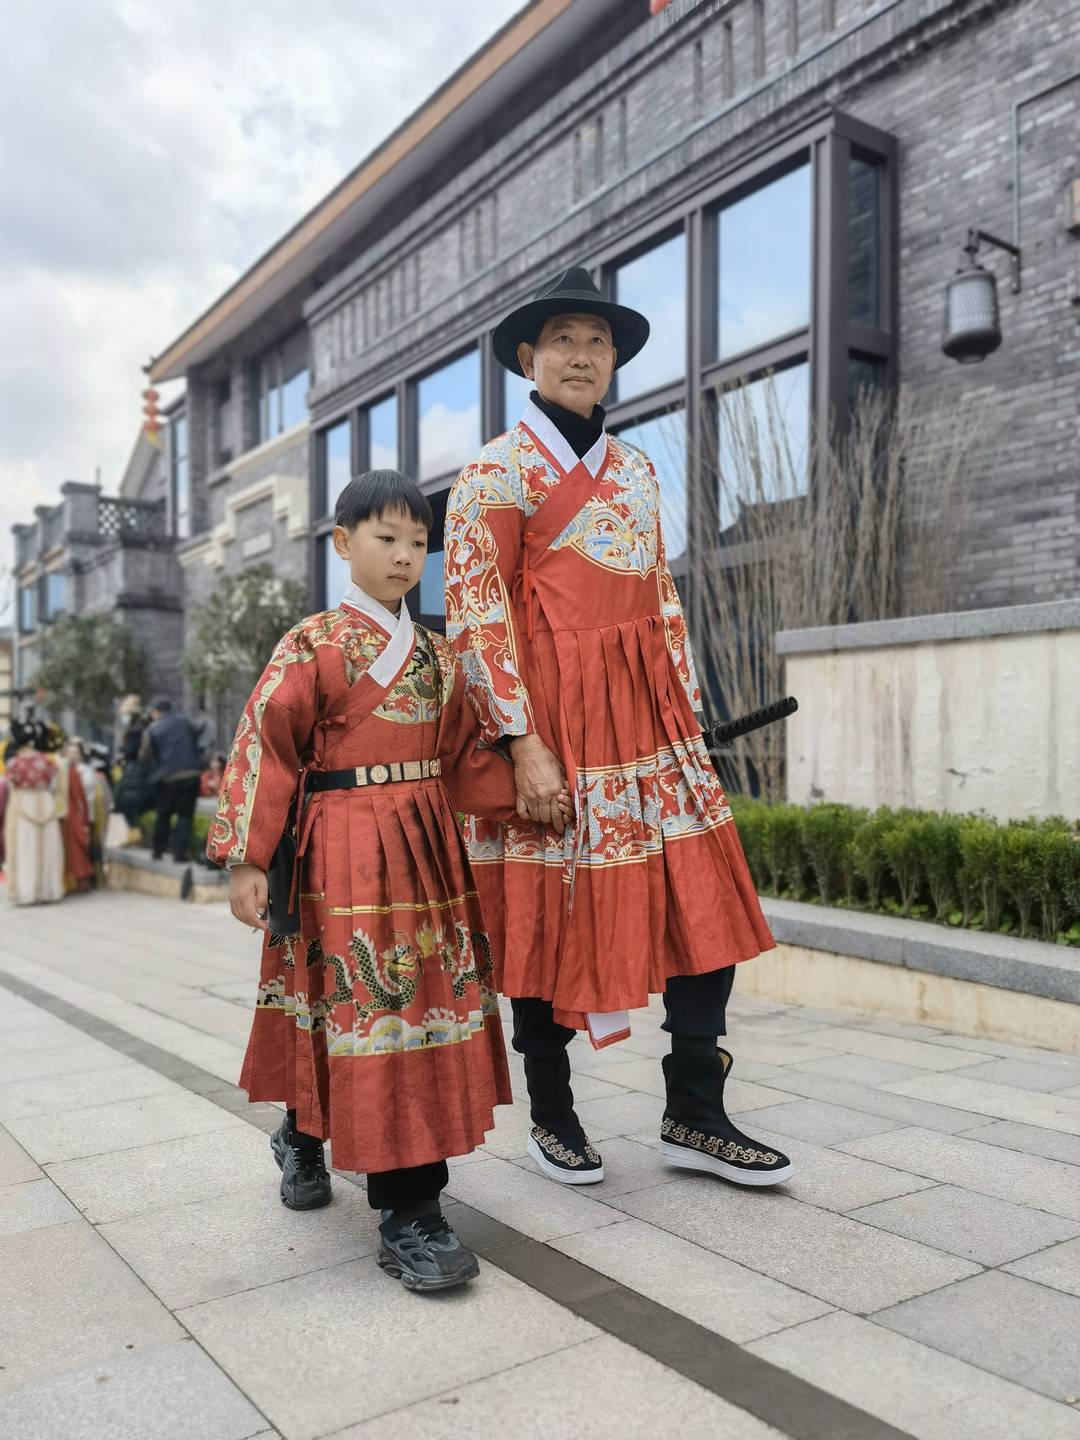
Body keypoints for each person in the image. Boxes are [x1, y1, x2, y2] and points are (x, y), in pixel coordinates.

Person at [445, 266, 793, 1188]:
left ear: (613, 364)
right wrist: (520, 739)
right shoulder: (491, 472)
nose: (582, 356)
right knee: (548, 910)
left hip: (649, 714)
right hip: (552, 718)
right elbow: (478, 611)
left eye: (598, 343)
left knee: (701, 898)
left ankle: (695, 1110)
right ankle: (553, 1112)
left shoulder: (636, 469)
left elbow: (662, 597)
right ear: (529, 357)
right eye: (564, 339)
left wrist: (684, 706)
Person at [209, 469, 567, 1293]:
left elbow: (464, 762)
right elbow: (265, 746)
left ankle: (404, 1197)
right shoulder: (311, 645)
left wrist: (532, 791)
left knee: (408, 1015)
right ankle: (350, 1169)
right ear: (342, 544)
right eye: (386, 538)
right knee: (354, 1007)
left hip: (428, 856)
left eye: (418, 542)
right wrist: (248, 858)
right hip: (338, 857)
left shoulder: (441, 656)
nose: (406, 556)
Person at [3, 719, 65, 906]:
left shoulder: (14, 763)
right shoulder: (48, 762)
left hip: (22, 805)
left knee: (24, 848)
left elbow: (10, 785)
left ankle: (26, 893)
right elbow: (56, 786)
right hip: (46, 804)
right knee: (48, 848)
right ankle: (48, 890)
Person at [142, 698, 203, 862]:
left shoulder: (153, 729)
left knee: (163, 815)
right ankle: (179, 854)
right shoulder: (186, 722)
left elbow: (145, 755)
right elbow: (197, 741)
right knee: (185, 816)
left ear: (157, 712)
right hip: (192, 774)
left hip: (167, 777)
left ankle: (158, 851)